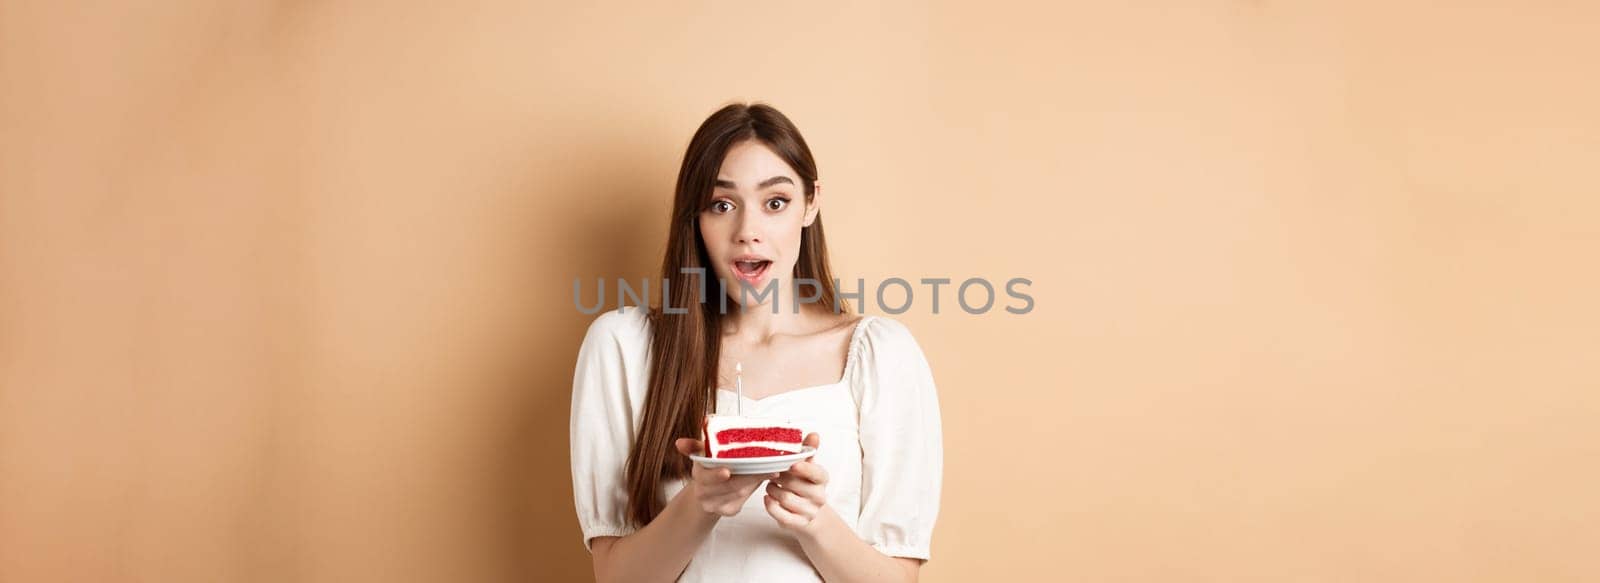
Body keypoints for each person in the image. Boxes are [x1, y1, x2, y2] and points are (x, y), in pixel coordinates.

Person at [569, 102, 943, 582]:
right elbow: (616, 579)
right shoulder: (624, 348)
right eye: (722, 205)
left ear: (810, 204)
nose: (748, 232)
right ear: (695, 218)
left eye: (775, 203)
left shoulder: (880, 355)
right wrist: (699, 504)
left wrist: (814, 522)